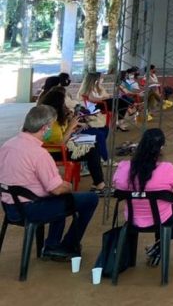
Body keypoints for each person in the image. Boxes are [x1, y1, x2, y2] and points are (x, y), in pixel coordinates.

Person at [0, 105, 99, 261]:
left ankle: (53, 243)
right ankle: (65, 245)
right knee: (89, 199)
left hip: (9, 207)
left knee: (59, 199)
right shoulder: (39, 154)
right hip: (31, 209)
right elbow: (56, 189)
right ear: (44, 128)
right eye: (51, 126)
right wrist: (68, 186)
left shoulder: (7, 145)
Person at [113, 128, 173, 265]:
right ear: (161, 148)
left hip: (132, 218)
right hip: (162, 218)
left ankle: (158, 246)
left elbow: (118, 188)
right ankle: (160, 245)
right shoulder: (167, 169)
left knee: (170, 205)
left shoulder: (124, 167)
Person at [39, 90, 108, 194]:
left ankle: (97, 183)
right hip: (55, 152)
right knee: (92, 151)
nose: (65, 106)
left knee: (94, 144)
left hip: (62, 148)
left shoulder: (55, 116)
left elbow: (63, 134)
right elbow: (60, 143)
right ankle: (99, 185)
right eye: (64, 103)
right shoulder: (50, 121)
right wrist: (71, 126)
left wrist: (73, 124)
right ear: (58, 104)